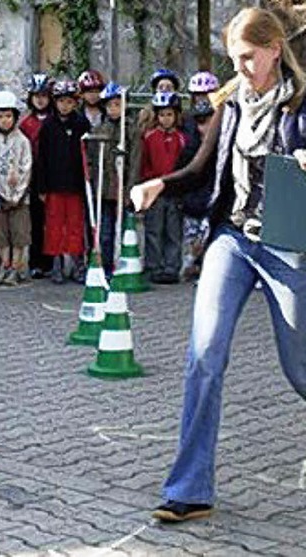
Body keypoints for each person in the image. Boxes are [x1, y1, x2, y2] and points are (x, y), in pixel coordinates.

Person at [131, 7, 306, 522]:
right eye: (235, 59)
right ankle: (189, 491)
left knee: (300, 368)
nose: (242, 68)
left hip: (286, 245)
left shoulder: (301, 104)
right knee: (203, 356)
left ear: (275, 49)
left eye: (249, 57)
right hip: (232, 239)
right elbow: (200, 169)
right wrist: (159, 185)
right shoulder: (231, 107)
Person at [36, 79, 89, 284]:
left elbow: (87, 156)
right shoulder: (48, 125)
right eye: (60, 101)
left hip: (75, 185)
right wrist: (42, 186)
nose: (64, 106)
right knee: (54, 226)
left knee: (76, 226)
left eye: (69, 102)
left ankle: (77, 264)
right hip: (54, 186)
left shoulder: (81, 123)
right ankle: (56, 264)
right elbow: (42, 158)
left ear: (75, 103)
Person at [0, 91, 33, 286]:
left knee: (19, 235)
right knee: (0, 236)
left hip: (19, 200)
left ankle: (16, 267)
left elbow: (26, 169)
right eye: (0, 116)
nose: (4, 120)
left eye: (8, 116)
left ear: (15, 117)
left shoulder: (22, 141)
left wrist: (18, 196)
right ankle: (5, 264)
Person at [87, 82, 137, 280]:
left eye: (118, 105)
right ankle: (105, 266)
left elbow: (135, 162)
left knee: (123, 230)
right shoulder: (100, 129)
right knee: (105, 232)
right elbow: (93, 160)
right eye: (110, 106)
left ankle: (124, 264)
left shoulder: (131, 130)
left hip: (122, 189)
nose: (114, 109)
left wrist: (129, 190)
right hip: (104, 191)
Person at [140, 91, 187, 284]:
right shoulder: (150, 138)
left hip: (174, 191)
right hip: (154, 191)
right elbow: (144, 164)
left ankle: (171, 267)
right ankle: (154, 267)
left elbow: (186, 165)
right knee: (154, 230)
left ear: (176, 116)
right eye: (162, 115)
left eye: (169, 114)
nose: (166, 119)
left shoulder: (181, 138)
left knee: (173, 231)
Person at [19, 73, 53, 279]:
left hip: (51, 177)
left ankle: (50, 261)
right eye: (36, 96)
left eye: (44, 95)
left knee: (52, 222)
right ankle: (36, 262)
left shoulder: (53, 120)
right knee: (35, 222)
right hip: (32, 179)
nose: (40, 100)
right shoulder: (26, 123)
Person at [177, 99, 215, 282]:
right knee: (192, 243)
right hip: (193, 203)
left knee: (209, 241)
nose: (205, 127)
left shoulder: (225, 144)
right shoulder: (190, 146)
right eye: (200, 122)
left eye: (209, 121)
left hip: (214, 204)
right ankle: (190, 267)